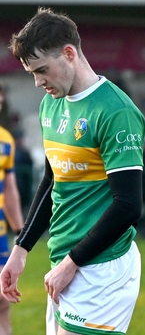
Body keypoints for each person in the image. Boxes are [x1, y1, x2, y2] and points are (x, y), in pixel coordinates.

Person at [1, 7, 145, 335]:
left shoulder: (116, 112)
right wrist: (21, 249)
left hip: (102, 267)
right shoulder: (51, 104)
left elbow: (128, 206)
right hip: (65, 262)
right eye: (31, 74)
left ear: (69, 54)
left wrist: (72, 264)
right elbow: (53, 181)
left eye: (42, 70)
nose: (38, 82)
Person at [0, 87, 25, 335]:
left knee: (2, 300)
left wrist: (20, 231)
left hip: (0, 232)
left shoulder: (5, 139)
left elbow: (10, 189)